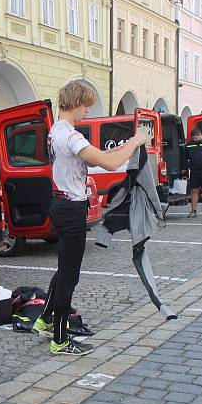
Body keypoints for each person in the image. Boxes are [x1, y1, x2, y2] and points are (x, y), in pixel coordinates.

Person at [32, 80, 148, 355]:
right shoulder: (70, 136)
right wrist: (135, 140)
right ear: (75, 102)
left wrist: (120, 148)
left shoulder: (57, 131)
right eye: (86, 104)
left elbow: (96, 159)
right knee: (69, 275)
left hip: (61, 205)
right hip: (70, 209)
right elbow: (109, 164)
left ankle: (45, 319)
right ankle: (59, 339)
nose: (88, 110)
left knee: (64, 268)